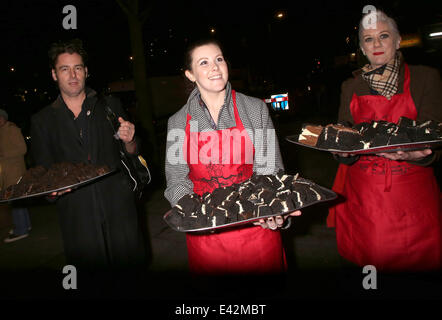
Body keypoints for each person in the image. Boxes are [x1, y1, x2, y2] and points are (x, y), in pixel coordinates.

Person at [164, 38, 300, 275]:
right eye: (204, 62)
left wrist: (273, 210)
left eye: (219, 59)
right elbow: (176, 180)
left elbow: (270, 169)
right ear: (190, 74)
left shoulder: (255, 109)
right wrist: (192, 214)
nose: (215, 67)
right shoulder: (177, 122)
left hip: (256, 229)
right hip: (206, 234)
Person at [328, 10, 442, 271]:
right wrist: (342, 150)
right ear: (361, 47)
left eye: (383, 36)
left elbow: (437, 134)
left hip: (412, 196)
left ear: (398, 40)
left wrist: (420, 154)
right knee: (372, 274)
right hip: (364, 198)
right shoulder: (351, 86)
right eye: (368, 39)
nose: (376, 44)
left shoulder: (426, 78)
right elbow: (345, 132)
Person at [30, 39, 146, 273]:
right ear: (54, 74)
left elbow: (133, 152)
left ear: (86, 71)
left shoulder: (111, 105)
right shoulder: (42, 121)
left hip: (119, 208)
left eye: (78, 68)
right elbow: (41, 169)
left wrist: (130, 139)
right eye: (65, 69)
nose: (73, 75)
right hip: (77, 214)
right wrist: (51, 191)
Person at [0, 109, 32, 243]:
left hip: (15, 171)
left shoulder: (12, 129)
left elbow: (22, 149)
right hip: (7, 172)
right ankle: (25, 225)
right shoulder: (2, 131)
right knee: (17, 199)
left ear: (4, 118)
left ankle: (21, 230)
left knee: (14, 199)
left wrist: (3, 154)